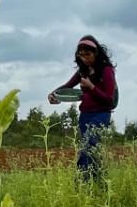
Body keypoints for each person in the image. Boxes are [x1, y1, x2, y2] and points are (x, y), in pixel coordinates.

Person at [49, 36, 117, 183]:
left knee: (89, 147)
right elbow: (68, 86)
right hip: (85, 115)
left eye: (88, 54)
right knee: (89, 152)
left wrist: (91, 87)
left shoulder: (106, 71)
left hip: (101, 115)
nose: (85, 58)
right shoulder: (83, 71)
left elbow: (109, 100)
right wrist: (53, 94)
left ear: (96, 53)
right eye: (81, 55)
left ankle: (84, 184)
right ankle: (95, 185)